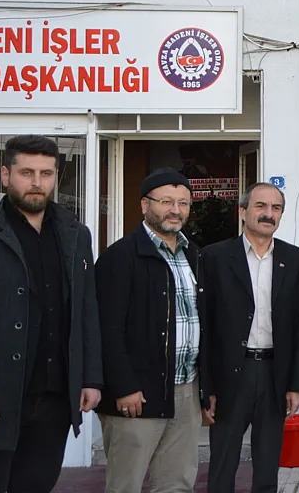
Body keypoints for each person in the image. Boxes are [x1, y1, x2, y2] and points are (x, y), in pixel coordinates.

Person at [0, 135, 104, 493]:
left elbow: (86, 309)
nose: (37, 182)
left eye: (46, 173)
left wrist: (91, 377)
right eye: (26, 172)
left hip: (53, 402)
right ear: (5, 175)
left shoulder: (76, 235)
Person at [96, 168, 203, 493]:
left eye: (183, 203)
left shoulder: (194, 255)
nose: (175, 210)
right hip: (137, 393)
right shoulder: (119, 257)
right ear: (145, 204)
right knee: (125, 485)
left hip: (185, 390)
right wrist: (124, 386)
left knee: (176, 484)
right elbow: (106, 329)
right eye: (166, 202)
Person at [200, 182, 299, 493]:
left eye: (276, 208)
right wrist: (207, 387)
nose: (268, 214)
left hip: (275, 373)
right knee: (223, 463)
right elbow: (205, 326)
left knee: (267, 465)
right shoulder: (214, 257)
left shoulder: (295, 259)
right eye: (261, 206)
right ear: (242, 211)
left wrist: (296, 384)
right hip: (231, 374)